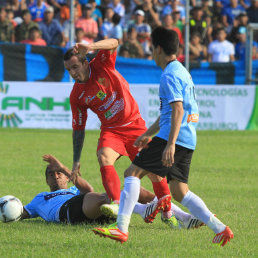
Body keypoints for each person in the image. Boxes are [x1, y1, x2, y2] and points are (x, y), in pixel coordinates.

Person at [92, 27, 234, 247]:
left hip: (174, 138)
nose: (152, 52)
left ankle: (120, 229)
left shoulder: (169, 75)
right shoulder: (181, 70)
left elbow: (178, 109)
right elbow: (169, 112)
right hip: (188, 138)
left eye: (152, 48)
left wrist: (169, 145)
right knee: (180, 192)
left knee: (132, 173)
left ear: (158, 49)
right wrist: (148, 134)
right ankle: (221, 229)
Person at [63, 38, 174, 224]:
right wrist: (76, 161)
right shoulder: (77, 96)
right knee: (103, 156)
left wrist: (91, 47)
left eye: (75, 67)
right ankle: (115, 202)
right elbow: (78, 129)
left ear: (85, 61)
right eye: (68, 70)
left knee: (154, 173)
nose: (73, 73)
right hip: (111, 131)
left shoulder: (102, 63)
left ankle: (168, 212)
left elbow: (115, 42)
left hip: (134, 126)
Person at [21, 154, 202, 228]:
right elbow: (21, 213)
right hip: (68, 213)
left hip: (94, 213)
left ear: (67, 177)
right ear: (46, 180)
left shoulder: (75, 189)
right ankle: (140, 210)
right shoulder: (41, 198)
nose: (55, 176)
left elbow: (86, 189)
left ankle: (183, 218)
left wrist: (64, 167)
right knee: (102, 196)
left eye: (59, 173)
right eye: (51, 174)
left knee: (135, 189)